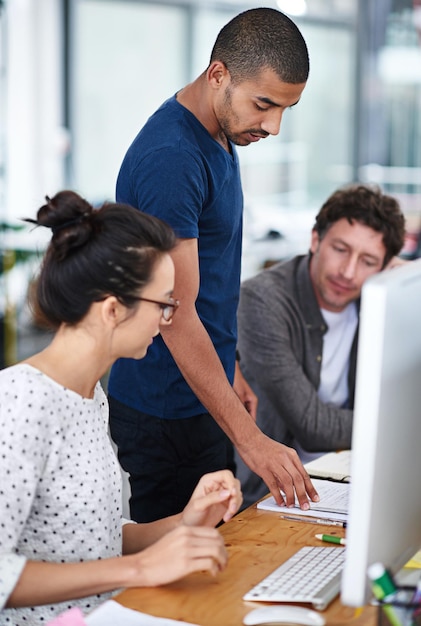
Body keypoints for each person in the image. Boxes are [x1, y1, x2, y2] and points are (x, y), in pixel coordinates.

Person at [108, 6, 319, 523]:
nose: (272, 125)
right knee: (175, 588)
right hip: (163, 413)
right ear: (218, 74)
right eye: (264, 104)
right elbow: (175, 312)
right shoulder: (172, 158)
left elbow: (213, 276)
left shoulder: (222, 132)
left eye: (285, 109)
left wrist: (234, 366)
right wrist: (252, 441)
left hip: (205, 395)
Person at [0, 190, 243, 626]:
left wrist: (184, 522)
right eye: (164, 303)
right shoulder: (20, 404)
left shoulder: (92, 398)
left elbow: (101, 540)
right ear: (113, 309)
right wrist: (139, 570)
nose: (167, 319)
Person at [235, 184, 406, 509]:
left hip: (355, 479)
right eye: (340, 249)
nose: (348, 271)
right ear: (315, 239)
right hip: (277, 494)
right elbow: (312, 426)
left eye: (368, 260)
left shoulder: (379, 301)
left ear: (385, 266)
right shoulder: (264, 300)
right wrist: (396, 425)